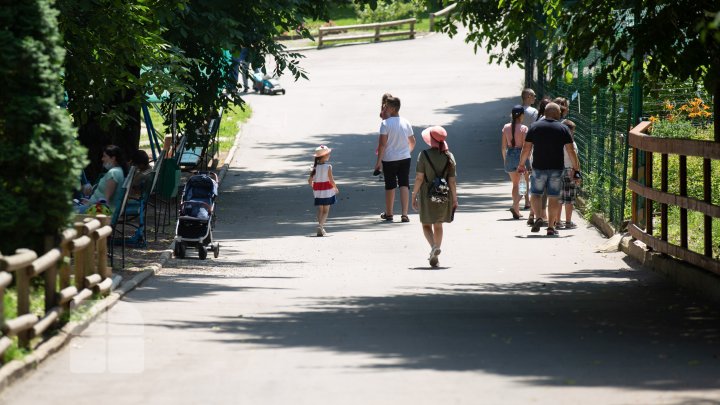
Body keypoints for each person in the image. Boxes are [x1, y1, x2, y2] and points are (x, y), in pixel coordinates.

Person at [516, 103, 580, 236]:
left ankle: (538, 216)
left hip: (538, 167)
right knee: (554, 197)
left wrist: (521, 164)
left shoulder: (534, 127)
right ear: (558, 114)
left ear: (545, 113)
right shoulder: (563, 128)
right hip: (556, 168)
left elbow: (526, 148)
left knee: (536, 193)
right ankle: (551, 227)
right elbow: (571, 150)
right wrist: (576, 169)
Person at [411, 126, 457, 267]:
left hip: (426, 194)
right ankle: (436, 248)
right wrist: (454, 199)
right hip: (443, 193)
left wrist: (413, 195)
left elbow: (419, 177)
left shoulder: (423, 155)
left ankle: (433, 247)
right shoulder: (449, 156)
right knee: (438, 224)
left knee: (426, 224)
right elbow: (452, 181)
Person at [374, 95, 416, 222]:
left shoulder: (385, 124)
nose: (384, 108)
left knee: (390, 185)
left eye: (386, 106)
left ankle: (389, 213)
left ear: (392, 109)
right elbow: (412, 141)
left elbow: (382, 145)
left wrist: (378, 163)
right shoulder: (406, 122)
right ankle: (404, 214)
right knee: (404, 184)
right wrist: (406, 152)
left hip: (389, 159)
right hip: (404, 158)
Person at [76, 145, 127, 214]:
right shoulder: (117, 171)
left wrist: (91, 204)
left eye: (104, 156)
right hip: (94, 206)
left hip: (97, 211)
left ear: (113, 158)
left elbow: (105, 201)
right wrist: (89, 202)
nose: (102, 159)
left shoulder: (113, 173)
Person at [501, 105, 529, 219]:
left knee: (515, 184)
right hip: (520, 156)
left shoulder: (506, 127)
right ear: (521, 115)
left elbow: (503, 147)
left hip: (509, 155)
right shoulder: (524, 128)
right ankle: (515, 205)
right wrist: (527, 160)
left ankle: (516, 210)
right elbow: (526, 147)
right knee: (524, 185)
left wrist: (505, 159)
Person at [308, 145, 339, 237]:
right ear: (324, 156)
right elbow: (331, 180)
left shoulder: (314, 167)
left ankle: (321, 228)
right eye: (328, 154)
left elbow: (310, 181)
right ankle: (320, 226)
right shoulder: (328, 167)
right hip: (327, 191)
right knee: (326, 211)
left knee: (320, 210)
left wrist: (314, 186)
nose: (329, 155)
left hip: (317, 191)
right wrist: (335, 188)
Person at [557, 119, 581, 229]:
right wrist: (577, 173)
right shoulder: (571, 143)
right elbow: (574, 158)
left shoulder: (555, 141)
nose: (573, 133)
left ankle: (557, 221)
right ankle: (568, 221)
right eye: (572, 131)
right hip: (569, 170)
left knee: (558, 197)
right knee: (569, 198)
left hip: (556, 170)